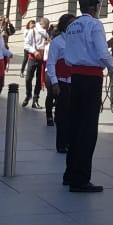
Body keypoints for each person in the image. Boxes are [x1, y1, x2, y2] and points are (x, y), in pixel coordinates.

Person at [61, 0, 113, 193]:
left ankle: (70, 173)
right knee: (88, 129)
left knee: (75, 127)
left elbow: (68, 58)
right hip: (91, 78)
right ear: (95, 7)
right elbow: (102, 52)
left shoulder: (71, 26)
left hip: (75, 76)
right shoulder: (95, 24)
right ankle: (81, 178)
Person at [45, 14, 74, 147]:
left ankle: (70, 141)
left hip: (74, 80)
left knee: (72, 113)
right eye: (71, 23)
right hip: (61, 80)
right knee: (62, 113)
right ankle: (61, 143)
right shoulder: (57, 42)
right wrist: (55, 82)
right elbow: (50, 63)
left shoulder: (77, 40)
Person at [23, 18, 50, 108]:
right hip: (33, 56)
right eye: (47, 25)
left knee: (39, 80)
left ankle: (35, 100)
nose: (47, 28)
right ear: (43, 24)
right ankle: (28, 94)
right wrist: (34, 51)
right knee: (28, 78)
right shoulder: (33, 31)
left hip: (43, 58)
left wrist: (47, 44)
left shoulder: (47, 34)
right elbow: (26, 44)